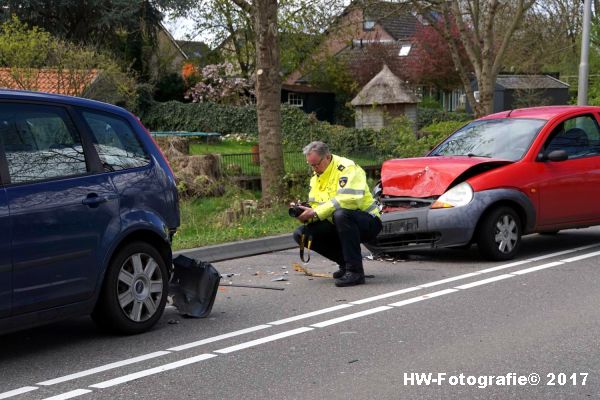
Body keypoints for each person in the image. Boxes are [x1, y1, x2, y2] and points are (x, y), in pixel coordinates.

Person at [292, 141, 382, 287]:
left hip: (368, 222)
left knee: (341, 215)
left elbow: (349, 200)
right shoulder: (316, 178)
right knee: (301, 234)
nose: (314, 169)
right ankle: (346, 265)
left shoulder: (347, 168)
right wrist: (306, 214)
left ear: (327, 157)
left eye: (316, 164)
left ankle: (355, 272)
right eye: (311, 165)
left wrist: (316, 212)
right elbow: (317, 206)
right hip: (338, 223)